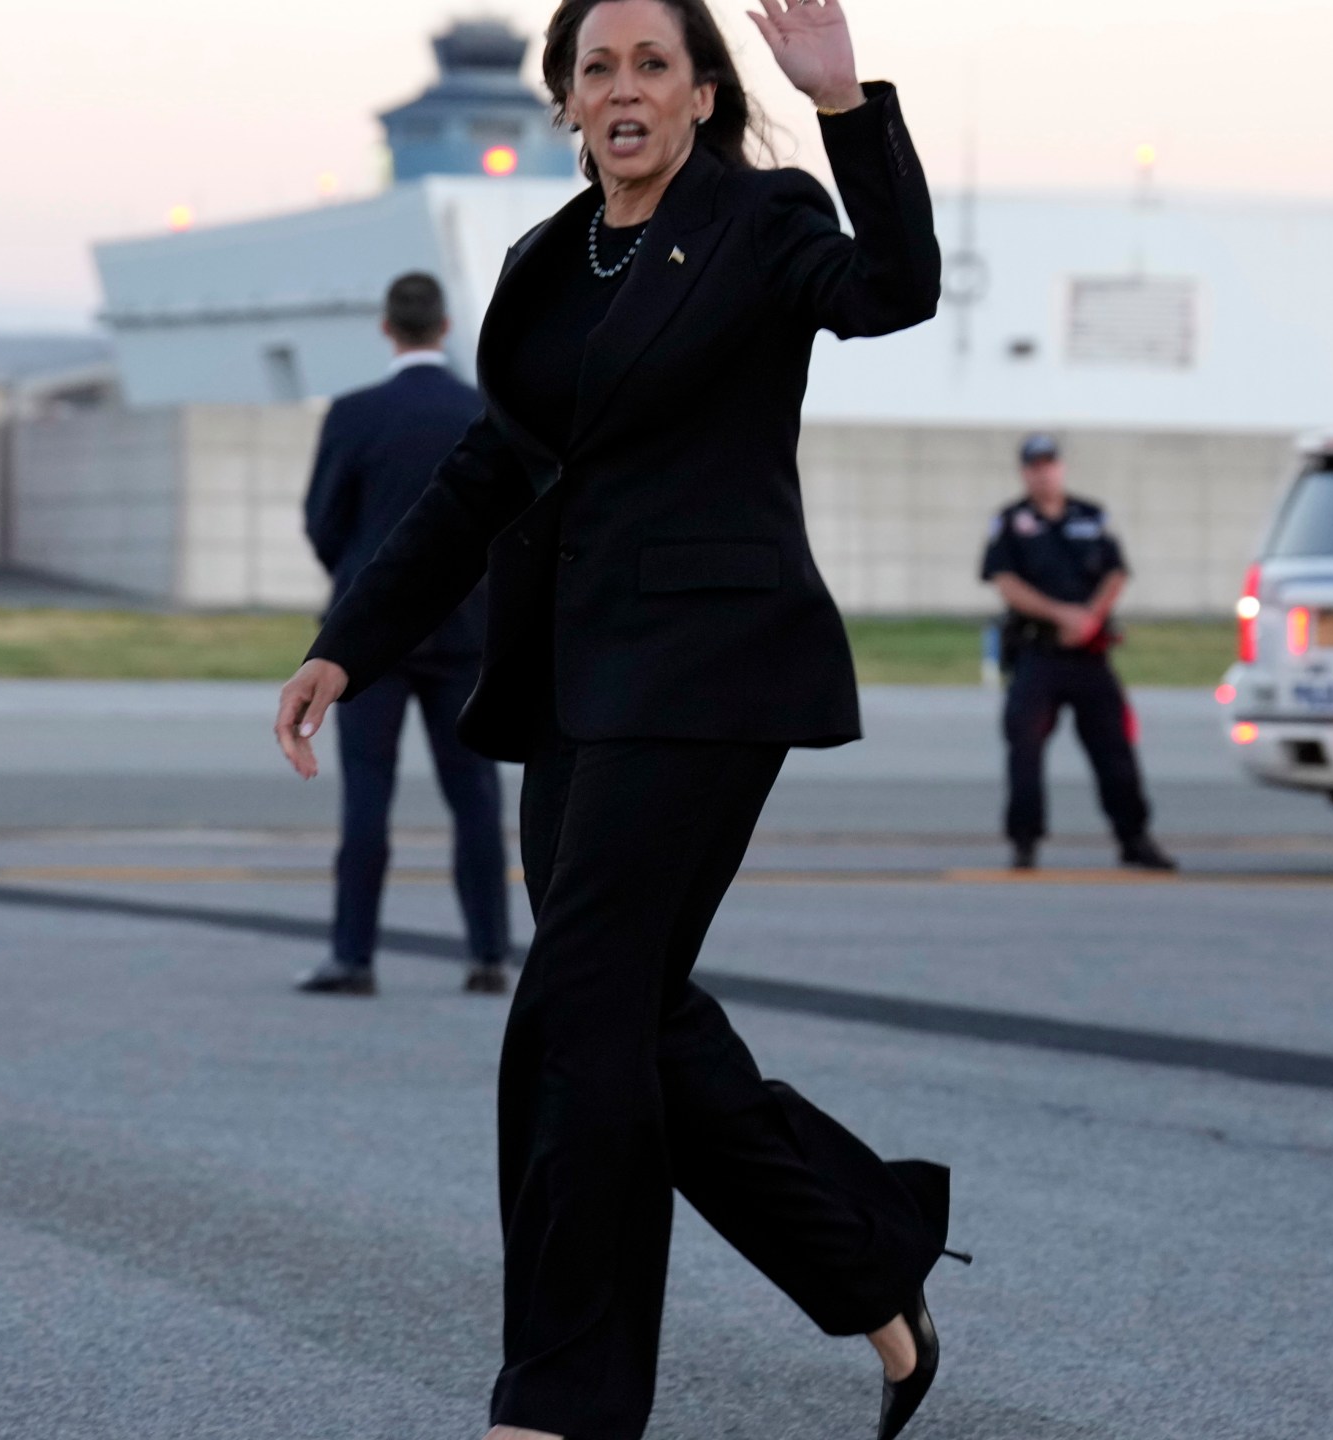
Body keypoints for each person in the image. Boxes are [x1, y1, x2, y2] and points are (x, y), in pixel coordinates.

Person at [272, 2, 964, 1437]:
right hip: (577, 690)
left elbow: (893, 286)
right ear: (566, 104)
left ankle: (561, 1405)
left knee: (574, 1018)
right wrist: (351, 642)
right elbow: (484, 473)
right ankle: (872, 1266)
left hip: (713, 673)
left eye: (656, 63)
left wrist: (847, 111)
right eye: (600, 67)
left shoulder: (764, 220)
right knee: (637, 1023)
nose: (627, 87)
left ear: (703, 94)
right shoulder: (543, 263)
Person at [298, 273, 514, 998]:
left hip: (371, 642)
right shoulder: (481, 409)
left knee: (366, 795)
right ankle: (489, 954)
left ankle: (353, 957)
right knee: (475, 798)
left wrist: (363, 589)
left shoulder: (355, 412)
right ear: (445, 327)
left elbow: (323, 519)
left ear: (387, 328)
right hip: (465, 631)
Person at [982, 433, 1177, 872]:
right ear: (1024, 472)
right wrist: (1060, 615)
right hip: (1038, 654)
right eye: (1034, 466)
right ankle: (1025, 842)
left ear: (1061, 468)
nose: (1043, 472)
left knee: (1115, 749)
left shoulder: (1091, 516)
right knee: (1024, 749)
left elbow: (1116, 573)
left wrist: (1089, 617)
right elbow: (1005, 580)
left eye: (1049, 464)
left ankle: (1134, 837)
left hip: (1089, 656)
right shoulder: (1012, 522)